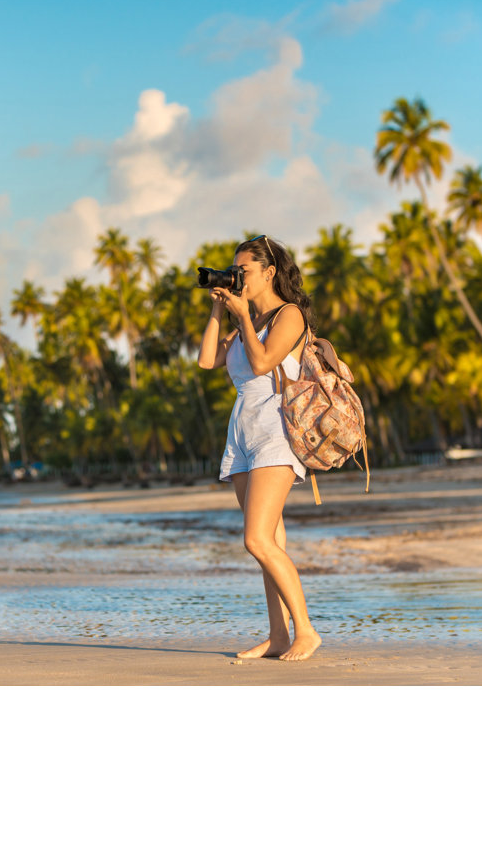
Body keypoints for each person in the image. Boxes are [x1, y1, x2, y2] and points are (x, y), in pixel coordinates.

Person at [197, 234, 322, 662]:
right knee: (269, 541)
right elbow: (206, 360)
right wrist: (220, 309)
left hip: (275, 432)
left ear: (269, 272)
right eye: (234, 272)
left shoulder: (289, 316)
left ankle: (306, 630)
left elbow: (265, 361)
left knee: (256, 539)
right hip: (242, 433)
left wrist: (244, 319)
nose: (237, 278)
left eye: (243, 271)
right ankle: (278, 635)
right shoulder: (241, 322)